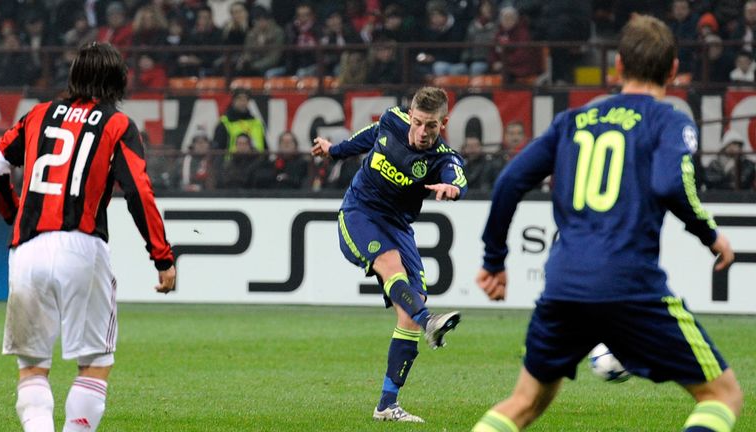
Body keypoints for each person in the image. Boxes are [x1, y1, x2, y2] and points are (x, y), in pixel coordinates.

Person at [473, 15, 743, 432]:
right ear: (673, 69)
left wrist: (494, 260)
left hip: (563, 286)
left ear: (617, 66)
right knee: (722, 395)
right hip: (630, 284)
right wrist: (710, 235)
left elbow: (509, 181)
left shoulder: (572, 121)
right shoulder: (668, 120)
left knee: (524, 403)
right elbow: (671, 184)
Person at [0, 42, 176, 432]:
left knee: (32, 368)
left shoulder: (37, 114)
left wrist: (13, 211)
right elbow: (138, 191)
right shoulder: (117, 124)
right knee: (95, 363)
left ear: (74, 77)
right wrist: (162, 256)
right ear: (117, 81)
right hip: (82, 247)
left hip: (26, 251)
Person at [311, 86, 465, 423]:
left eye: (432, 126)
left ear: (444, 123)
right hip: (359, 214)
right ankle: (431, 322)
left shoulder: (442, 158)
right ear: (410, 115)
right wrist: (334, 150)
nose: (424, 132)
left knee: (412, 303)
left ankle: (387, 405)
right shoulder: (392, 121)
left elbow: (457, 177)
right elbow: (368, 136)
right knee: (390, 266)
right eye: (420, 123)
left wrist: (452, 189)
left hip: (397, 227)